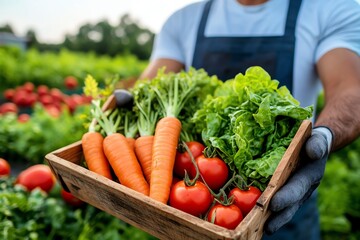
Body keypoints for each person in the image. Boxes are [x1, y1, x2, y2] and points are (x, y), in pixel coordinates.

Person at [139, 0, 360, 239]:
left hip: (285, 195)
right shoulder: (182, 20)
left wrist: (323, 136)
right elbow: (153, 84)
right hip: (201, 205)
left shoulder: (331, 8)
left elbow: (350, 90)